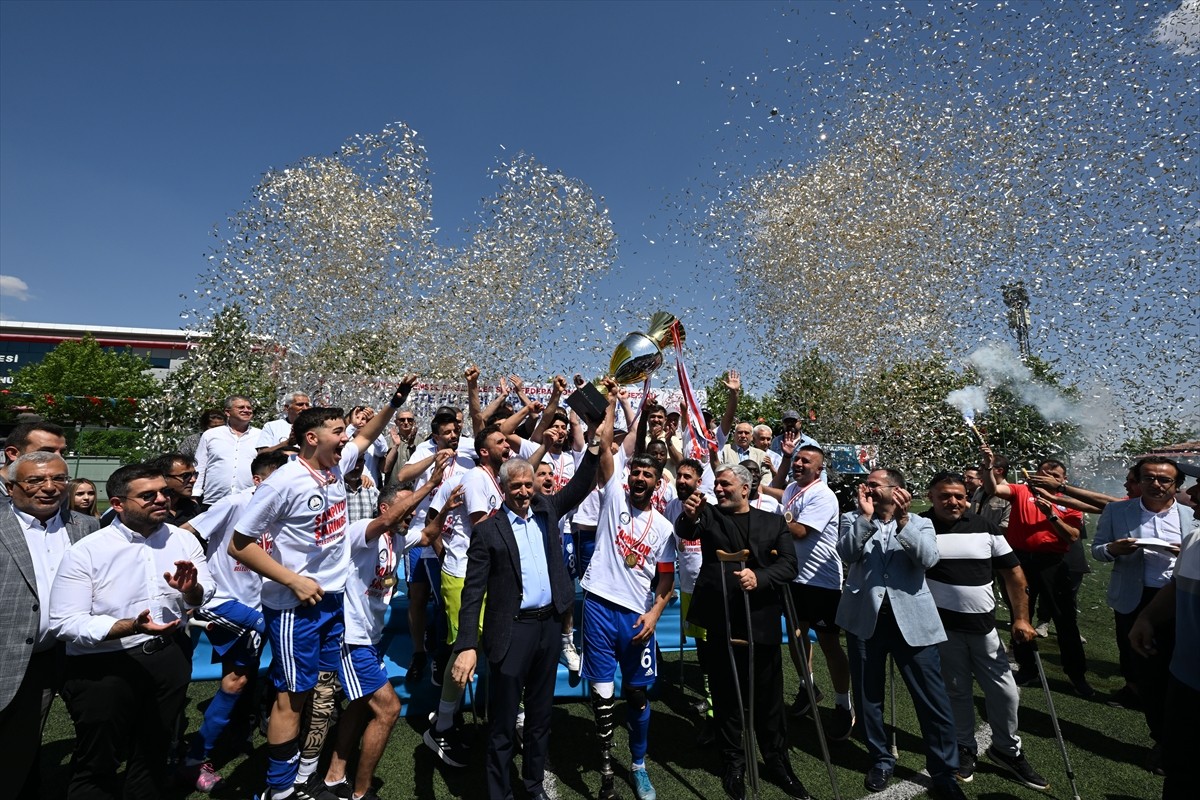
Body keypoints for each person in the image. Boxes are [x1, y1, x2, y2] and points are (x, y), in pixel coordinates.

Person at [229, 376, 415, 800]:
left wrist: (395, 401)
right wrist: (292, 579)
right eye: (338, 432)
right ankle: (279, 790)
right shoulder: (284, 482)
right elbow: (239, 545)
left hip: (332, 603)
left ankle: (305, 775)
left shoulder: (333, 467)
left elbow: (367, 436)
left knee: (313, 690)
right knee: (291, 698)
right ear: (311, 438)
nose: (346, 438)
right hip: (295, 606)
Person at [49, 462, 213, 799]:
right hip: (104, 667)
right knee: (98, 760)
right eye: (147, 495)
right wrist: (130, 627)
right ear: (118, 504)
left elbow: (203, 593)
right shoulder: (87, 552)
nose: (161, 499)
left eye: (164, 492)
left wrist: (190, 591)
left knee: (154, 752)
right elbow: (65, 622)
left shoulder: (184, 540)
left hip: (168, 657)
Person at [450, 440, 600, 800]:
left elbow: (580, 484)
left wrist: (594, 443)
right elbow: (472, 593)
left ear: (534, 485)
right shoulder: (488, 530)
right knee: (502, 725)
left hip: (549, 628)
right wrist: (467, 644)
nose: (522, 491)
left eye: (527, 484)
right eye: (515, 485)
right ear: (503, 488)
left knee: (539, 719)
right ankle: (499, 793)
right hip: (511, 632)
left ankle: (533, 787)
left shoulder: (547, 510)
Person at [676, 463, 807, 800]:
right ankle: (733, 762)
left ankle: (778, 763)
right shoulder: (709, 516)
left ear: (745, 488)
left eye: (725, 484)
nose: (718, 489)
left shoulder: (773, 521)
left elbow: (789, 565)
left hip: (760, 620)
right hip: (720, 619)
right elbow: (688, 530)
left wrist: (759, 578)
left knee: (769, 698)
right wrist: (690, 515)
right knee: (725, 695)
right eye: (716, 484)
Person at [325, 469, 455, 800]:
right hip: (351, 638)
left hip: (371, 638)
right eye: (406, 508)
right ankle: (361, 792)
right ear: (385, 509)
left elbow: (427, 535)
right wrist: (429, 484)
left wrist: (446, 507)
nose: (411, 514)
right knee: (388, 709)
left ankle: (333, 777)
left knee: (357, 706)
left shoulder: (397, 537)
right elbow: (389, 523)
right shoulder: (361, 532)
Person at [836, 468, 964, 800]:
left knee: (932, 700)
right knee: (868, 698)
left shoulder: (920, 522)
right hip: (866, 621)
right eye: (867, 485)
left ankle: (943, 771)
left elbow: (928, 559)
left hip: (913, 623)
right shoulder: (853, 517)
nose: (867, 488)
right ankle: (880, 759)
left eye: (874, 485)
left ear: (897, 490)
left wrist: (904, 521)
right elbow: (847, 553)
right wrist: (865, 519)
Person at [579, 380, 677, 800]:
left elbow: (667, 580)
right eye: (635, 472)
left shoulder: (666, 527)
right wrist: (612, 400)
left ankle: (637, 765)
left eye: (646, 474)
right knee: (602, 698)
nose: (638, 478)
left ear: (657, 483)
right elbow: (605, 446)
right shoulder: (612, 498)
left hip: (637, 617)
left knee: (636, 695)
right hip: (599, 605)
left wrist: (655, 614)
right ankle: (604, 770)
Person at [921, 471, 1048, 790]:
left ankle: (1007, 749)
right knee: (957, 692)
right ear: (931, 496)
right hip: (942, 630)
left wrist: (1021, 618)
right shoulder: (920, 525)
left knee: (1004, 692)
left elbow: (1014, 574)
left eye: (959, 496)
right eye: (945, 496)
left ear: (968, 497)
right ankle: (965, 747)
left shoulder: (985, 527)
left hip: (984, 628)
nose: (953, 501)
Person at [176, 450, 290, 793]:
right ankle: (196, 759)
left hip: (263, 603)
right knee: (236, 680)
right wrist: (199, 579)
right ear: (258, 481)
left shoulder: (283, 508)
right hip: (228, 603)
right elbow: (186, 531)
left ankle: (237, 735)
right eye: (279, 481)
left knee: (243, 679)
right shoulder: (236, 502)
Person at [1, 452, 99, 799]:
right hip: (19, 655)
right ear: (11, 488)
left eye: (59, 479)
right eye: (35, 481)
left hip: (80, 652)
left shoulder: (86, 526)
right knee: (15, 745)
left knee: (98, 730)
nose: (50, 488)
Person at [1092, 456, 1191, 773]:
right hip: (1135, 600)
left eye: (1164, 480)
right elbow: (1097, 549)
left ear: (1177, 485)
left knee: (1180, 671)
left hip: (1180, 598)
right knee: (1147, 673)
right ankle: (1162, 740)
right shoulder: (1117, 511)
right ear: (1138, 481)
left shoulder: (1191, 515)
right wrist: (1113, 549)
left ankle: (1180, 738)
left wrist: (1185, 551)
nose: (1157, 485)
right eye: (1149, 478)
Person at [980, 447, 1094, 697]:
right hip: (1020, 562)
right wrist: (988, 467)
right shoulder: (1022, 491)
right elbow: (993, 489)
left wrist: (1051, 515)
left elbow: (1072, 536)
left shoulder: (1068, 503)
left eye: (1054, 474)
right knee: (1021, 615)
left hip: (1053, 563)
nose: (1046, 476)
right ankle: (1027, 668)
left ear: (1062, 480)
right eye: (1042, 471)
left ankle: (1076, 675)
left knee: (1065, 620)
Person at [765, 443, 854, 739]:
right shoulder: (792, 488)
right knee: (796, 636)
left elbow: (801, 530)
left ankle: (844, 705)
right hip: (794, 579)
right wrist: (763, 493)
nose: (799, 464)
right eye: (798, 459)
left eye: (806, 461)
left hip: (822, 581)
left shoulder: (823, 495)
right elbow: (785, 500)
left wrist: (767, 518)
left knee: (829, 645)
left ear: (819, 470)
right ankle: (808, 687)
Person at [1128, 465, 1200, 800]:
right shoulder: (1195, 537)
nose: (1193, 495)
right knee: (1178, 767)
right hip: (1183, 678)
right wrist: (1147, 616)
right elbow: (1176, 584)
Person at [196, 395, 263, 506]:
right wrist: (195, 494)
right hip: (214, 500)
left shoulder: (261, 435)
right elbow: (200, 466)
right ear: (228, 412)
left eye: (249, 408)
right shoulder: (211, 435)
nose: (246, 410)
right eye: (241, 407)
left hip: (249, 500)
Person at [1, 420, 69, 498]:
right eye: (46, 452)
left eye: (62, 452)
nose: (59, 458)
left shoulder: (60, 491)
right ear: (13, 453)